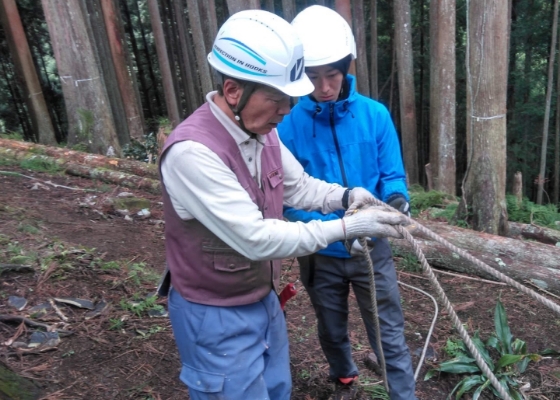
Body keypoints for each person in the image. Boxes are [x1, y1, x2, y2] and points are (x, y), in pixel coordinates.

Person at [158, 9, 410, 400]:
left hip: (261, 298)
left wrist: (346, 197)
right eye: (278, 99)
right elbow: (256, 238)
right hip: (215, 310)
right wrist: (347, 228)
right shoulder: (193, 153)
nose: (288, 110)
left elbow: (300, 187)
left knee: (276, 389)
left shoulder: (262, 131)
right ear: (233, 91)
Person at [277, 5, 417, 400]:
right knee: (331, 325)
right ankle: (343, 374)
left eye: (332, 75)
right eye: (313, 77)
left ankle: (403, 395)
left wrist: (395, 202)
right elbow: (291, 197)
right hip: (321, 253)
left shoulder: (374, 115)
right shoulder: (287, 124)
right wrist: (332, 233)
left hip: (374, 249)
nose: (323, 86)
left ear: (346, 68)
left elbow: (392, 174)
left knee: (387, 329)